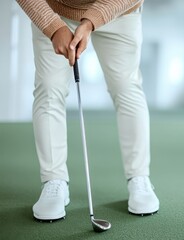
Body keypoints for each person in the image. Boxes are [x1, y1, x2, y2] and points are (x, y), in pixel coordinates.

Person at [16, 0, 159, 221]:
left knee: (126, 87)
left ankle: (139, 179)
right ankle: (54, 181)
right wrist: (53, 27)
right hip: (55, 10)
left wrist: (91, 21)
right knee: (49, 88)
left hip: (119, 10)